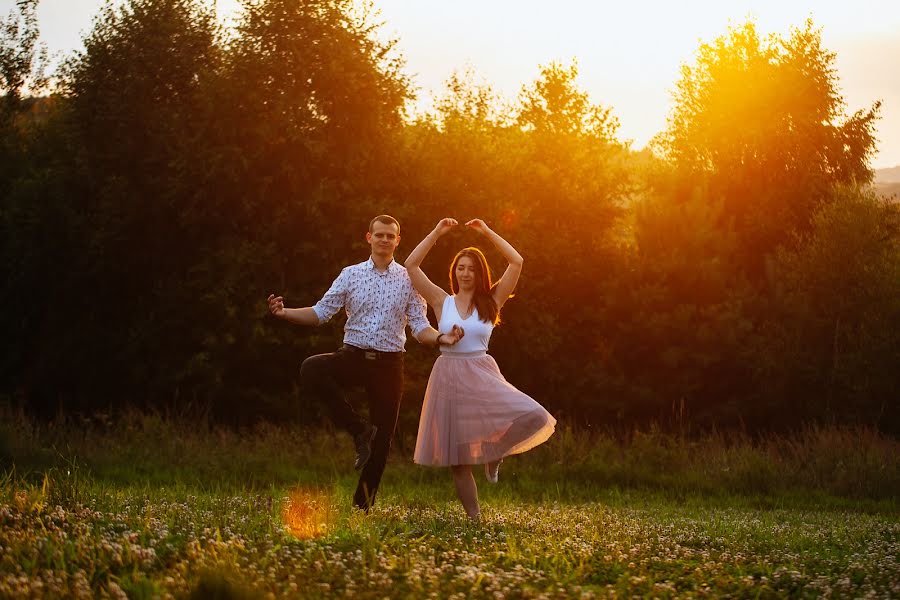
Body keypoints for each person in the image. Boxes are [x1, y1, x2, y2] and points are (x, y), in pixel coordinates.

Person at [267, 215, 464, 512]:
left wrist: (441, 339)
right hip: (353, 356)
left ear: (397, 241)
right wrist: (284, 314)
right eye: (380, 235)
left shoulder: (410, 279)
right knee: (311, 368)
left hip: (389, 365)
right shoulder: (351, 274)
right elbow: (320, 313)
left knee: (382, 443)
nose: (385, 240)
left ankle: (362, 507)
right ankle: (359, 429)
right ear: (368, 237)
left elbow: (420, 327)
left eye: (390, 236)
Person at [405, 217, 556, 520]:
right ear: (454, 271)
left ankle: (494, 451)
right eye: (460, 267)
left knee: (536, 415)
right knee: (458, 461)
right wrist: (436, 231)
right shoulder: (441, 301)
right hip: (448, 377)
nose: (465, 273)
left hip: (482, 374)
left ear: (480, 272)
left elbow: (516, 261)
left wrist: (487, 233)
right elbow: (411, 265)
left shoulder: (492, 301)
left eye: (472, 268)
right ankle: (474, 519)